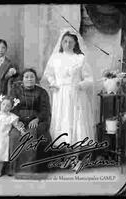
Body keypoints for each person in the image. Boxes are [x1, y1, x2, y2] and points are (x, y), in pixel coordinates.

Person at [42, 28, 95, 170]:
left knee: (76, 124)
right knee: (64, 124)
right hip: (61, 95)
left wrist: (80, 84)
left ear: (75, 43)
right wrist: (54, 84)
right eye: (65, 41)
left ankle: (75, 158)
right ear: (61, 42)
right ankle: (67, 157)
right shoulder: (55, 58)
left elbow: (89, 79)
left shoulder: (80, 58)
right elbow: (49, 74)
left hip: (77, 95)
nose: (67, 44)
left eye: (70, 41)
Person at [9, 68, 52, 176]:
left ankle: (28, 170)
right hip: (19, 120)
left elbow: (45, 109)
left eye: (32, 77)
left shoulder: (42, 92)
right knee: (14, 135)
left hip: (37, 120)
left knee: (31, 134)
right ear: (22, 79)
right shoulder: (15, 91)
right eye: (26, 77)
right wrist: (16, 121)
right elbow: (11, 107)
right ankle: (14, 169)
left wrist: (37, 119)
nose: (29, 79)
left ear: (35, 79)